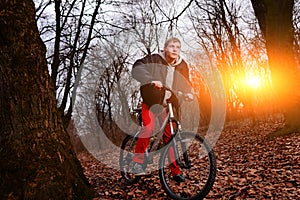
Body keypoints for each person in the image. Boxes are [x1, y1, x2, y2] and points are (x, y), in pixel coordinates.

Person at [131, 37, 193, 183]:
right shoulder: (154, 59)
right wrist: (151, 80)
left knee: (170, 136)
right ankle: (137, 163)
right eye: (171, 46)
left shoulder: (182, 65)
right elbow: (137, 67)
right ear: (165, 49)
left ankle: (175, 171)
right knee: (148, 128)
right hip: (152, 102)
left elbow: (186, 83)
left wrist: (189, 92)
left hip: (168, 104)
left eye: (178, 47)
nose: (175, 49)